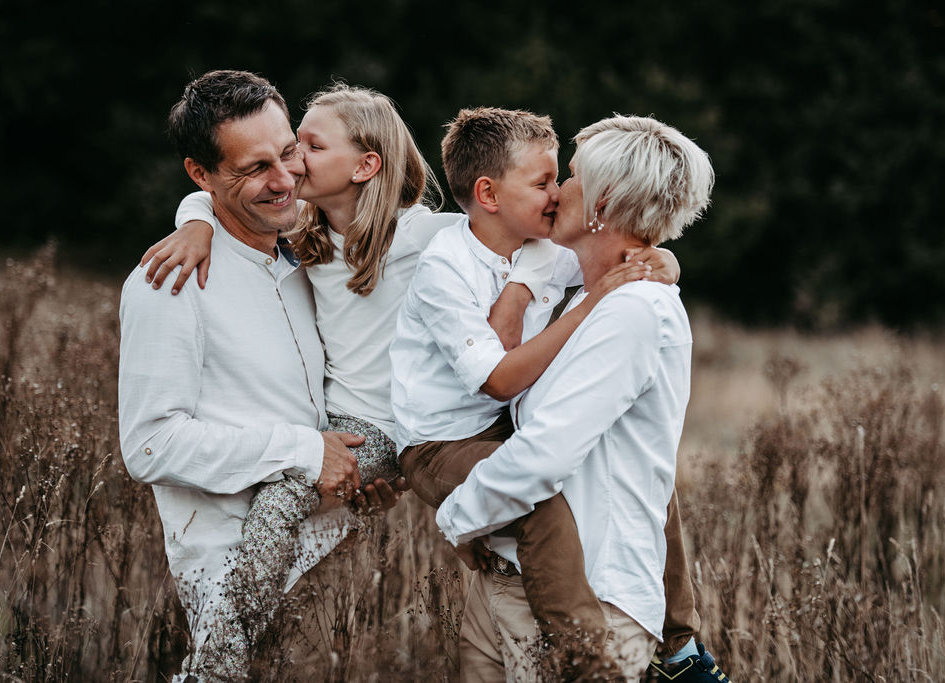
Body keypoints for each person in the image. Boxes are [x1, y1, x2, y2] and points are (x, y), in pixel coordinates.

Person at [137, 82, 571, 681]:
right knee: (292, 497)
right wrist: (194, 220)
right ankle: (223, 658)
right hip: (339, 433)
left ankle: (215, 666)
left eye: (303, 148)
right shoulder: (304, 237)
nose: (291, 170)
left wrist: (523, 291)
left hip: (396, 429)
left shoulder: (425, 237)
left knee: (286, 496)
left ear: (367, 164)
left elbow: (526, 232)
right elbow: (218, 199)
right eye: (284, 154)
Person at [434, 114, 723, 681]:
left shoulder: (638, 309)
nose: (556, 189)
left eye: (569, 176)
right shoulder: (574, 299)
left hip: (592, 596)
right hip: (506, 581)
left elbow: (547, 451)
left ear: (605, 199)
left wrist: (457, 518)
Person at [119, 70, 379, 681]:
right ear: (200, 175)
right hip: (234, 577)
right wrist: (303, 450)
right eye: (254, 168)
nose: (285, 179)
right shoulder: (171, 283)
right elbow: (150, 444)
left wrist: (355, 472)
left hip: (331, 556)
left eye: (288, 152)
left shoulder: (308, 263)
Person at [391, 106, 662, 677]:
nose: (557, 194)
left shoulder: (543, 248)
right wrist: (591, 305)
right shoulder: (446, 268)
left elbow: (629, 257)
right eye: (542, 182)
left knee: (647, 476)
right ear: (488, 194)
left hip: (502, 429)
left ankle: (680, 641)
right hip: (442, 444)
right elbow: (499, 378)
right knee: (539, 506)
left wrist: (660, 260)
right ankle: (588, 659)